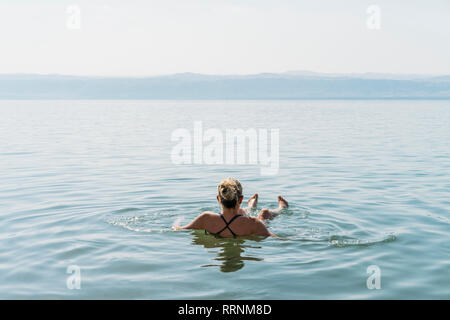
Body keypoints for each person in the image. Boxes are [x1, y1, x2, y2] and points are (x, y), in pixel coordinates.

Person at [173, 178, 288, 238]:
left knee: (242, 212)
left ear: (218, 198)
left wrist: (178, 220)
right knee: (264, 213)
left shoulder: (205, 218)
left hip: (229, 219)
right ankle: (281, 207)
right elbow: (277, 238)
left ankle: (251, 205)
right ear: (240, 199)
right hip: (244, 223)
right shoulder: (254, 223)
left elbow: (178, 229)